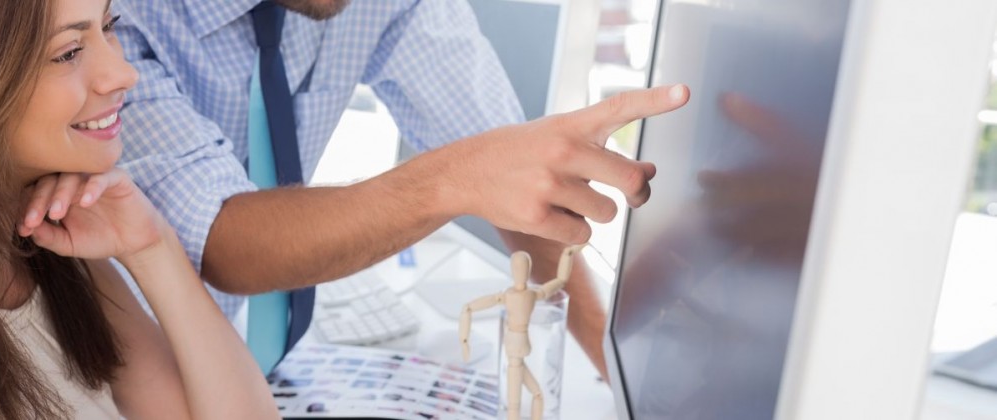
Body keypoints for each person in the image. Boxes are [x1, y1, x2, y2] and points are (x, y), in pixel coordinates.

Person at [112, 0, 690, 378]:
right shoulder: (116, 19)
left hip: (235, 371)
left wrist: (618, 370)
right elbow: (221, 242)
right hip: (111, 367)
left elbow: (512, 170)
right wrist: (452, 180)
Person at [0, 0, 277, 418]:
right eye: (68, 52)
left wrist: (153, 247)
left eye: (109, 27)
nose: (123, 74)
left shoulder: (61, 260)